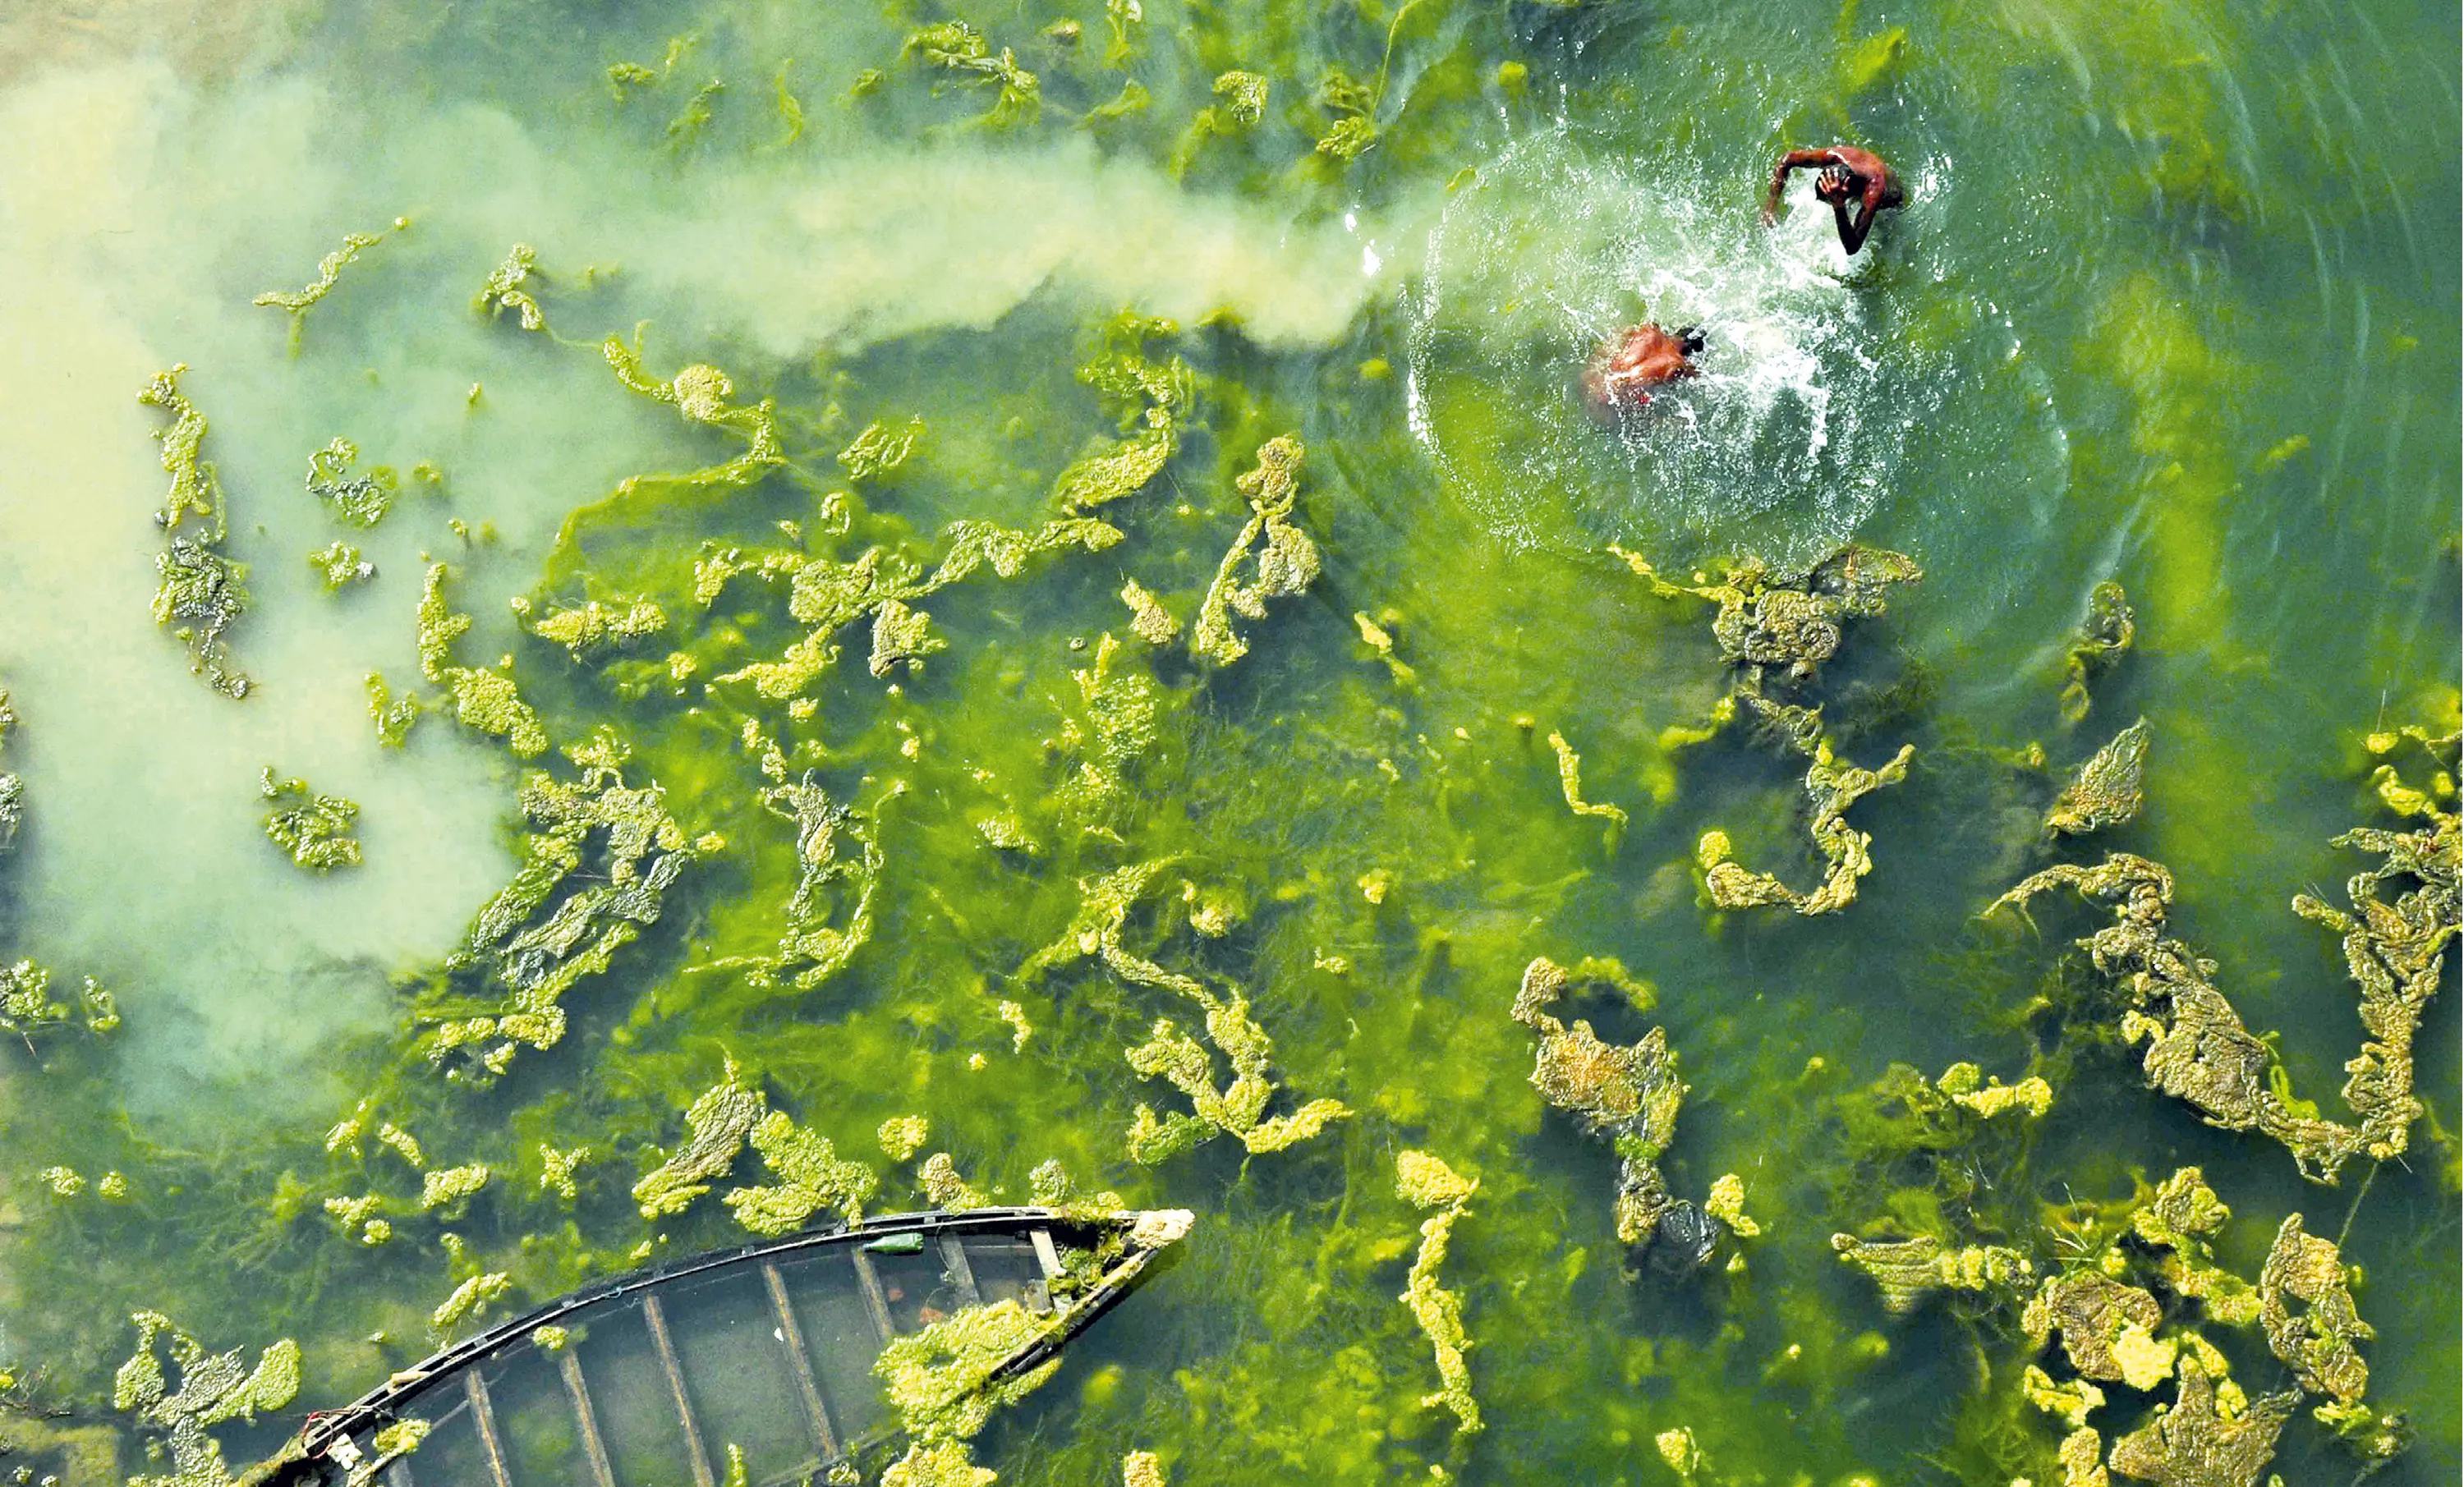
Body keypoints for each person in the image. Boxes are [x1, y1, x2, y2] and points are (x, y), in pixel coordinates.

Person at [1762, 145, 1902, 255]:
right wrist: (1771, 205)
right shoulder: (1836, 157)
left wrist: (1838, 206)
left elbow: (1853, 248)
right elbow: (1787, 159)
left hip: (1890, 202)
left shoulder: (1874, 191)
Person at [1583, 324, 1707, 416]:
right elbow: (1700, 377)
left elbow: (1620, 335)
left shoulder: (1650, 330)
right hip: (1613, 402)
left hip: (1594, 381)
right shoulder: (1677, 364)